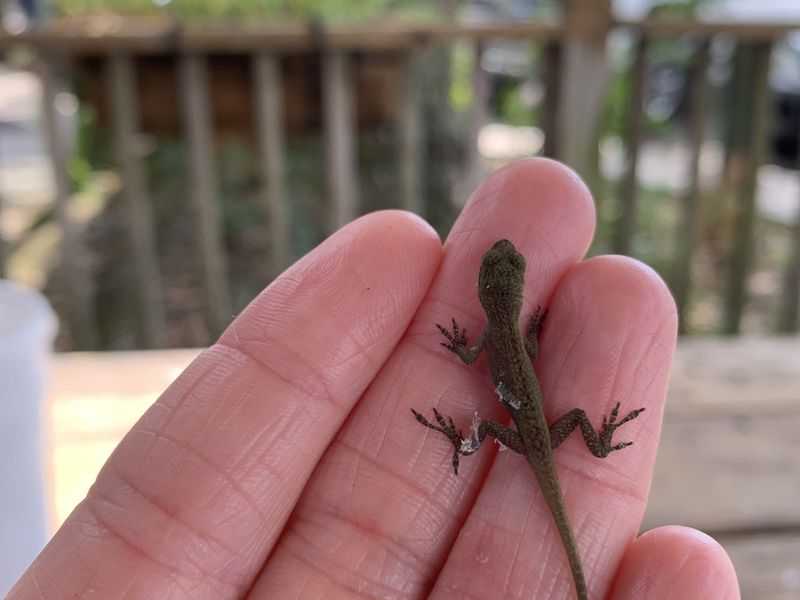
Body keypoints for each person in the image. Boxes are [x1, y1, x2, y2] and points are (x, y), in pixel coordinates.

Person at [7, 159, 739, 599]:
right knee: (549, 432)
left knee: (491, 432)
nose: (503, 272)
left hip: (514, 432)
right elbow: (512, 352)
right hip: (528, 431)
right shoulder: (510, 334)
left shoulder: (494, 335)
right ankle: (596, 444)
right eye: (502, 275)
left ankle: (488, 442)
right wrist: (524, 377)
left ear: (497, 298)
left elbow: (475, 358)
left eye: (501, 275)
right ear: (505, 299)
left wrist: (473, 409)